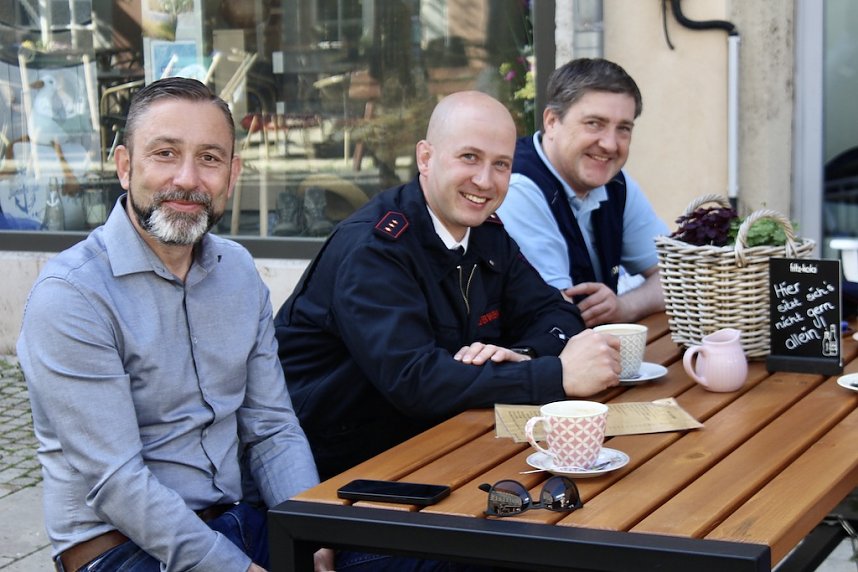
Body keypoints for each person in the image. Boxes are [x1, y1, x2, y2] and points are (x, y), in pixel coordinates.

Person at [17, 78, 330, 572]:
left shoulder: (238, 271)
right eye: (165, 153)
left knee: (424, 556)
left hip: (238, 520)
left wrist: (314, 538)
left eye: (209, 158)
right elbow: (118, 482)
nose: (187, 178)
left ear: (232, 173)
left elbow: (272, 429)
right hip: (120, 547)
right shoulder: (73, 294)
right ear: (125, 167)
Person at [274, 90, 620, 484]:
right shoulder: (375, 249)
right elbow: (416, 381)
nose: (484, 181)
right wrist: (555, 375)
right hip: (339, 471)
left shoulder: (485, 232)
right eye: (469, 157)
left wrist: (522, 356)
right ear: (425, 158)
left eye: (501, 164)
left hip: (436, 443)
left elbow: (556, 313)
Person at [496, 58, 668, 327]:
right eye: (594, 123)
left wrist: (626, 306)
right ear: (552, 122)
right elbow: (560, 314)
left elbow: (678, 277)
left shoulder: (615, 183)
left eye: (623, 129)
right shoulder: (518, 187)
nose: (610, 144)